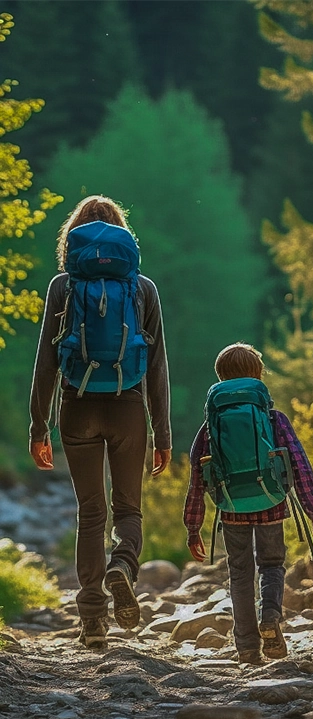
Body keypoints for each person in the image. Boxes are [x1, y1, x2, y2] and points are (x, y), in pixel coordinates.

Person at [29, 195, 171, 650]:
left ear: (74, 238)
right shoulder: (143, 288)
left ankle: (92, 621)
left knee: (90, 512)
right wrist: (163, 433)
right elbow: (157, 368)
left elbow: (46, 362)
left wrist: (40, 426)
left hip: (76, 406)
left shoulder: (63, 286)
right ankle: (122, 566)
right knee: (127, 509)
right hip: (128, 408)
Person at [183, 342, 313, 665]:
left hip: (232, 506)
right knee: (272, 565)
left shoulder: (211, 426)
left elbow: (198, 476)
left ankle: (247, 648)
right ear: (258, 376)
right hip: (272, 503)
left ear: (221, 378)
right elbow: (300, 467)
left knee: (239, 574)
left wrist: (193, 527)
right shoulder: (273, 418)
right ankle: (271, 616)